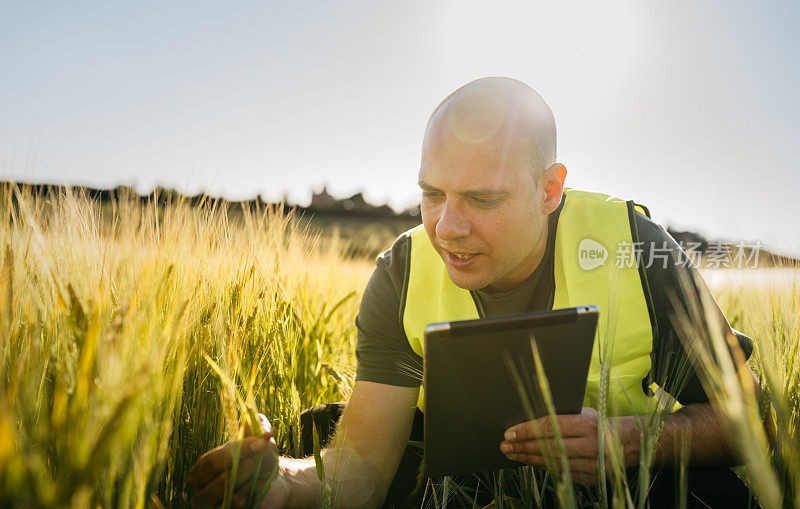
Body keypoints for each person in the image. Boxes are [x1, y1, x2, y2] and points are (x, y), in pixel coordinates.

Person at [188, 77, 762, 508]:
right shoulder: (401, 271)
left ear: (549, 190)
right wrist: (282, 489)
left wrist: (629, 442)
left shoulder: (633, 248)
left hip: (626, 482)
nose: (446, 228)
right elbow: (364, 458)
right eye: (432, 193)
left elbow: (749, 422)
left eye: (482, 199)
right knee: (316, 432)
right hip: (460, 483)